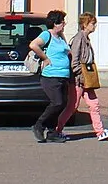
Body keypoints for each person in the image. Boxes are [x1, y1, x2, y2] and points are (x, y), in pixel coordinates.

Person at [28, 11, 74, 143]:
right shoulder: (47, 34)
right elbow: (33, 45)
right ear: (55, 23)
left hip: (63, 75)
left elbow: (67, 51)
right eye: (62, 21)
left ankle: (53, 132)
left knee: (62, 104)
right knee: (57, 102)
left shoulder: (60, 36)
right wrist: (45, 58)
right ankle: (39, 125)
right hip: (51, 75)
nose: (64, 24)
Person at [72, 14, 108, 141]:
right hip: (80, 79)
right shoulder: (79, 38)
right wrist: (81, 73)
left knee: (94, 104)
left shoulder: (86, 38)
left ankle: (100, 131)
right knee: (72, 107)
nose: (95, 26)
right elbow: (75, 61)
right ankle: (56, 129)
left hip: (87, 79)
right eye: (92, 23)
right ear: (85, 24)